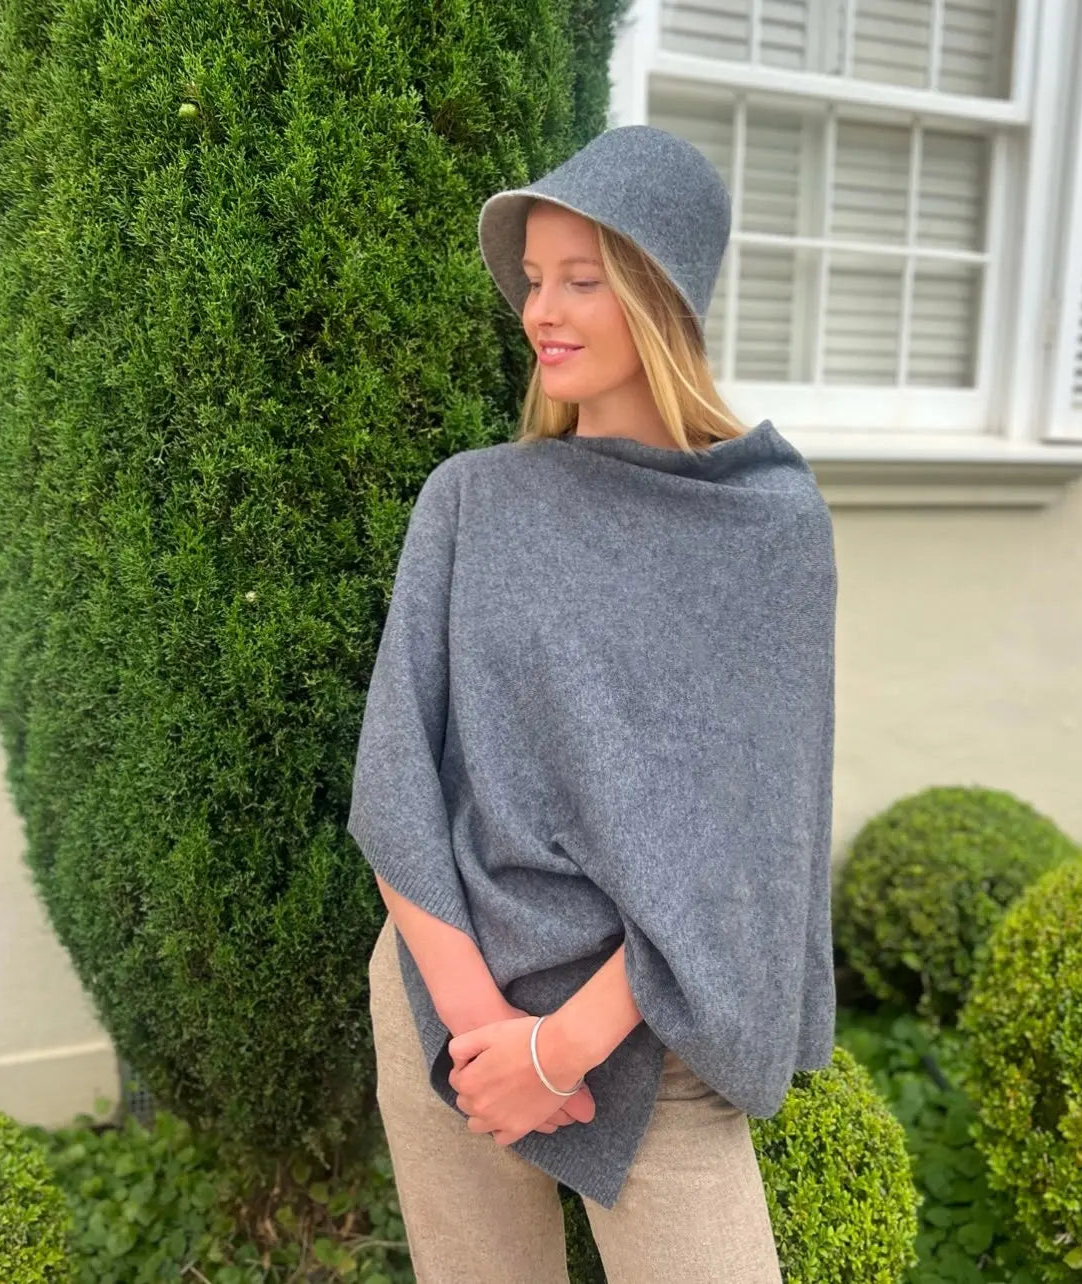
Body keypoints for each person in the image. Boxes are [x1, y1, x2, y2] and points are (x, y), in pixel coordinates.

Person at [348, 125, 838, 1283]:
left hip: (654, 1031)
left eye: (582, 279)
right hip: (444, 1000)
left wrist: (561, 1048)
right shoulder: (472, 500)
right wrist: (484, 1031)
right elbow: (396, 774)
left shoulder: (766, 530)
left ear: (662, 294)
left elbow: (749, 841)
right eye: (534, 280)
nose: (541, 312)